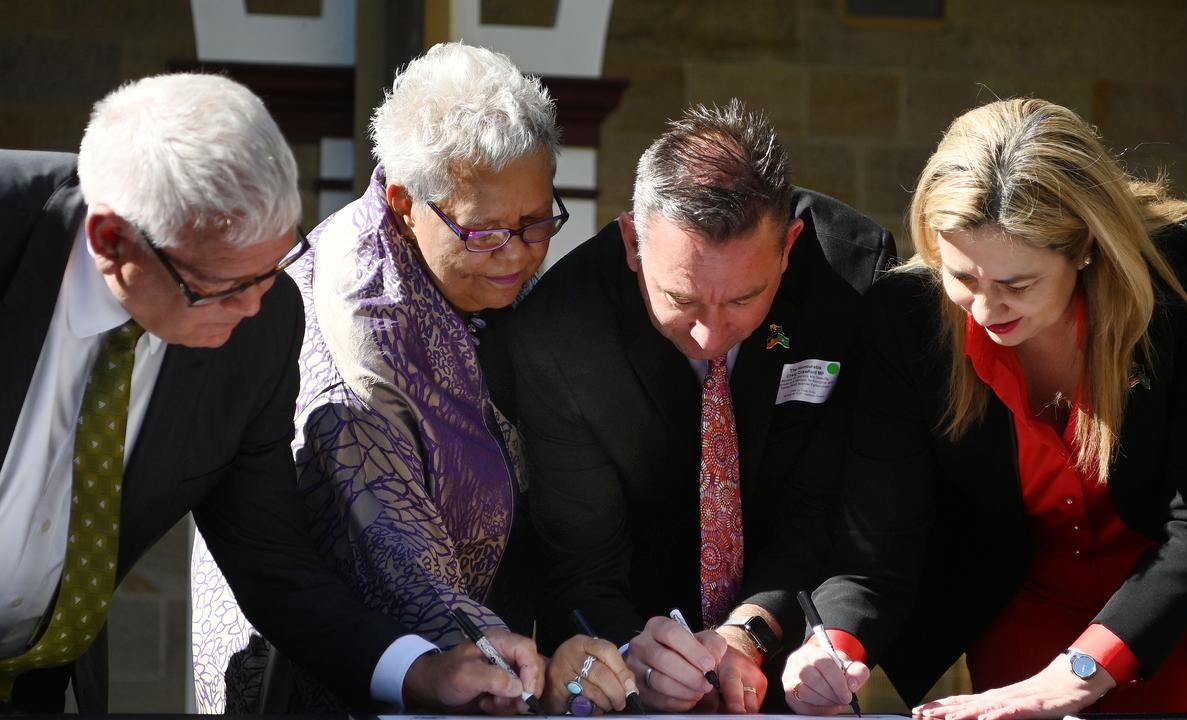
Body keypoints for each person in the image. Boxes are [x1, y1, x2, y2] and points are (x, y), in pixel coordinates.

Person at [0, 72, 548, 714]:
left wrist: (420, 672)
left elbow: (269, 557)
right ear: (111, 241)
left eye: (271, 271)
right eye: (222, 285)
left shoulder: (264, 317)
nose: (252, 307)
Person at [783, 98, 1187, 717]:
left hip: (1172, 585)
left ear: (1086, 247)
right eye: (961, 276)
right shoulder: (905, 316)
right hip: (1019, 586)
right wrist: (833, 642)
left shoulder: (1184, 268)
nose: (986, 311)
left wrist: (1083, 669)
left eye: (1017, 285)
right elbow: (880, 539)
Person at [189, 43, 637, 715]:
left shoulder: (488, 269)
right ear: (403, 203)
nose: (517, 254)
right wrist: (515, 660)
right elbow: (394, 559)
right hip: (342, 675)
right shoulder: (357, 330)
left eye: (537, 221)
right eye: (486, 233)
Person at [509, 100, 895, 713]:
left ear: (790, 245)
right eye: (681, 298)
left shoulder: (851, 279)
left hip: (802, 649)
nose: (710, 335)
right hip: (639, 658)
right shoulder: (559, 333)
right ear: (634, 244)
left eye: (746, 297)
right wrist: (640, 650)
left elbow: (835, 502)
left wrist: (751, 630)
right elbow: (581, 564)